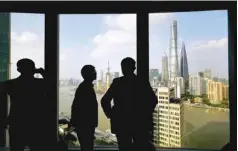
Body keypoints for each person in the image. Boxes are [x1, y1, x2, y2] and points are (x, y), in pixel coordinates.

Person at [101, 57, 157, 151]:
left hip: (121, 123)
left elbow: (104, 101)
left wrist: (111, 114)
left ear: (122, 68)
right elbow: (153, 100)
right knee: (141, 147)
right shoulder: (142, 82)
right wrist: (144, 114)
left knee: (124, 147)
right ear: (134, 68)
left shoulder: (117, 83)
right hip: (139, 123)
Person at [0, 58, 51, 151]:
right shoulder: (39, 83)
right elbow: (52, 84)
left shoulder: (10, 84)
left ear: (18, 70)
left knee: (16, 148)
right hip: (36, 122)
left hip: (16, 122)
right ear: (33, 69)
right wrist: (40, 71)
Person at [70, 65, 98, 151]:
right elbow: (76, 106)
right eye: (93, 71)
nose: (96, 73)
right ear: (88, 74)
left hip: (85, 124)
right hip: (85, 125)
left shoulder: (86, 86)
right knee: (87, 147)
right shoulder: (85, 88)